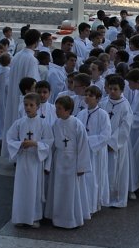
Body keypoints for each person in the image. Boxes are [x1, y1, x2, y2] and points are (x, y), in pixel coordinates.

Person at [7, 93, 53, 227]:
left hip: (35, 161)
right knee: (21, 189)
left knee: (34, 188)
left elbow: (49, 142)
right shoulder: (19, 123)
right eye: (26, 105)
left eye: (31, 105)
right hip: (22, 160)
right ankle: (20, 217)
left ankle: (34, 217)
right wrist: (20, 144)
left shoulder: (44, 123)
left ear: (37, 107)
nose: (28, 107)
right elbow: (10, 138)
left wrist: (35, 144)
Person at [44, 96, 91, 228]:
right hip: (58, 160)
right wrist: (48, 164)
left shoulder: (77, 124)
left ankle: (71, 219)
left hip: (72, 161)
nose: (56, 111)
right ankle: (57, 217)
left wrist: (81, 166)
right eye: (56, 108)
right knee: (58, 189)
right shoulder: (55, 124)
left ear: (68, 110)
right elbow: (51, 146)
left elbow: (83, 145)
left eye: (59, 109)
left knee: (71, 191)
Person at [1, 28, 41, 156]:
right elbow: (33, 83)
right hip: (26, 100)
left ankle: (13, 150)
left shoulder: (17, 56)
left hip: (14, 96)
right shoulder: (31, 60)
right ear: (36, 42)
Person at [77, 85, 111, 213]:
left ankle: (93, 205)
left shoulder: (103, 115)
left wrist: (88, 141)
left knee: (94, 178)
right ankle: (83, 204)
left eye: (90, 95)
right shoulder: (81, 113)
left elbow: (106, 135)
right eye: (86, 94)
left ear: (98, 99)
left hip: (95, 152)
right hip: (83, 151)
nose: (87, 97)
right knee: (84, 178)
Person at [101, 75, 133, 208]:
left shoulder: (125, 106)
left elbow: (125, 127)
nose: (112, 91)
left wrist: (113, 143)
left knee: (118, 172)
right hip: (103, 143)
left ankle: (118, 199)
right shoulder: (103, 102)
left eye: (115, 89)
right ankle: (104, 197)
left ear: (121, 90)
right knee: (104, 170)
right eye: (111, 88)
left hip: (117, 145)